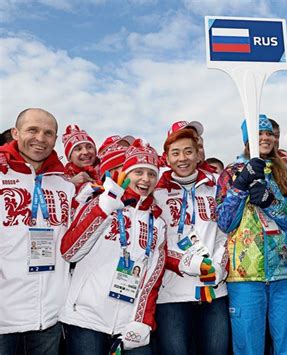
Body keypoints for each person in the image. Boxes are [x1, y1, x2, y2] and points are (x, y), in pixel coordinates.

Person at [60, 138, 192, 354]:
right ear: (125, 174)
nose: (145, 179)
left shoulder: (157, 222)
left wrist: (142, 320)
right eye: (138, 172)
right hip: (85, 318)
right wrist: (102, 210)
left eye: (151, 173)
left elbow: (152, 279)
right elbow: (69, 251)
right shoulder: (99, 203)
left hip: (127, 323)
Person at [216, 115, 287, 354]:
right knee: (248, 345)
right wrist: (240, 186)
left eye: (269, 134)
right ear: (247, 139)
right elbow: (224, 222)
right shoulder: (230, 173)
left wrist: (270, 203)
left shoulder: (285, 173)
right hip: (245, 274)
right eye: (259, 134)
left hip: (285, 272)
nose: (265, 138)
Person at [0, 108, 76, 354]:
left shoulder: (65, 185)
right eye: (32, 130)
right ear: (15, 132)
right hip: (4, 315)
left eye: (48, 133)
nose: (40, 139)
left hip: (49, 317)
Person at [153, 128, 229, 354]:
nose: (182, 158)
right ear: (166, 157)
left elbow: (226, 230)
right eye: (175, 153)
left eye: (188, 151)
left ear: (199, 154)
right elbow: (154, 241)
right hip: (172, 292)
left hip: (214, 288)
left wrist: (218, 264)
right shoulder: (156, 191)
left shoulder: (218, 185)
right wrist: (188, 263)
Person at [62, 124, 100, 189]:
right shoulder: (61, 180)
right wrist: (70, 185)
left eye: (89, 147)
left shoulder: (107, 169)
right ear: (69, 158)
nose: (85, 152)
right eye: (78, 149)